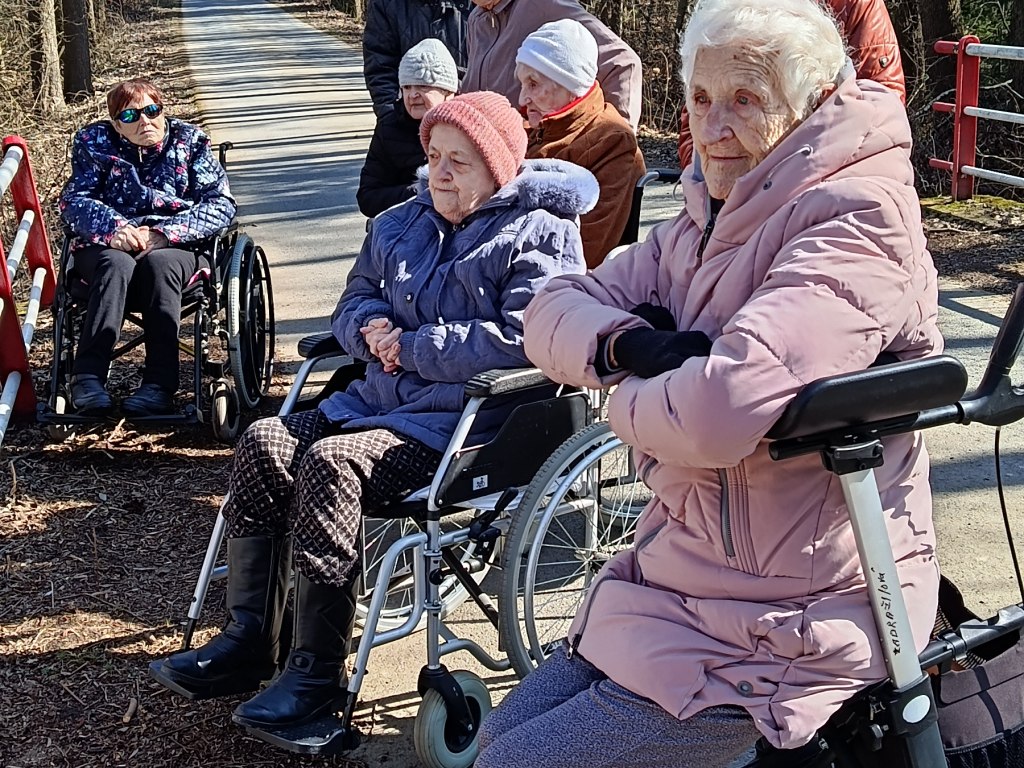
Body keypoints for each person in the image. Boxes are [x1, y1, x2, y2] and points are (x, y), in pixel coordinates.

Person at [478, 0, 941, 765]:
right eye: (700, 98)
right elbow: (549, 308)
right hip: (681, 585)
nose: (713, 128)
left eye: (745, 99)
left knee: (511, 763)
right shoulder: (706, 216)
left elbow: (718, 410)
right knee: (496, 736)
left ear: (812, 106)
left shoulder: (860, 220)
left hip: (794, 619)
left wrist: (616, 395)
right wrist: (630, 343)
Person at [148, 92, 594, 731]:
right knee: (265, 441)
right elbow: (353, 300)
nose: (440, 173)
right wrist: (371, 330)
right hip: (377, 402)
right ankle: (250, 639)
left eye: (459, 162)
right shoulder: (399, 224)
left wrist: (413, 347)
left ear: (498, 168)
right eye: (434, 156)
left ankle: (315, 675)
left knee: (332, 464)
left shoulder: (540, 232)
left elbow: (529, 335)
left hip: (465, 424)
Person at [58, 77, 236, 417]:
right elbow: (74, 200)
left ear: (162, 110)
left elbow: (221, 204)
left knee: (160, 264)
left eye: (152, 110)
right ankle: (87, 378)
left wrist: (165, 233)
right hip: (109, 245)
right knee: (115, 264)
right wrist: (114, 228)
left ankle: (159, 384)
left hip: (177, 245)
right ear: (116, 124)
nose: (145, 121)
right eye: (130, 116)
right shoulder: (94, 144)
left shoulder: (190, 142)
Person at [676, 0, 906, 167]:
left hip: (821, 181)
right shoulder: (722, 8)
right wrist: (705, 181)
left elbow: (881, 114)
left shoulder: (856, 5)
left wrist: (815, 185)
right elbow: (702, 103)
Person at [516, 19, 645, 267]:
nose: (522, 99)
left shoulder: (611, 142)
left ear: (570, 86)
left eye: (533, 84)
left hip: (554, 280)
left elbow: (585, 251)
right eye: (522, 84)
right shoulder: (529, 128)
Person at [462, 0, 642, 131]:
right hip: (482, 160)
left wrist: (613, 141)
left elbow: (623, 61)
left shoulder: (543, 5)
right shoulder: (476, 19)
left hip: (541, 158)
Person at [357, 39, 458, 218]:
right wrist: (419, 191)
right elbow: (368, 198)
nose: (412, 95)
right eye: (406, 87)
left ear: (448, 92)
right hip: (406, 223)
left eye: (423, 86)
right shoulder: (389, 127)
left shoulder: (468, 128)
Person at [362, 0, 471, 118]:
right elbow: (380, 67)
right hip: (405, 119)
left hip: (470, 116)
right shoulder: (385, 4)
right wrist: (390, 117)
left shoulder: (479, 4)